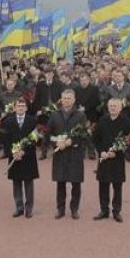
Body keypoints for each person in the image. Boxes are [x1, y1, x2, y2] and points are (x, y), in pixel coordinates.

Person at [48, 89, 88, 220]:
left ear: (74, 99)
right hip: (60, 155)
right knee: (60, 183)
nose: (66, 101)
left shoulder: (81, 115)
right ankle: (60, 209)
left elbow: (84, 135)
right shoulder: (54, 115)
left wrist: (71, 141)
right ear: (61, 99)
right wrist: (56, 143)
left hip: (75, 154)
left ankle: (74, 209)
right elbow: (48, 134)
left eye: (69, 98)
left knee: (76, 183)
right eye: (64, 98)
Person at [92, 98, 130, 223]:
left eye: (115, 106)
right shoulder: (102, 120)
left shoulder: (126, 122)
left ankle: (116, 211)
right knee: (103, 185)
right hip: (104, 157)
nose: (113, 108)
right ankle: (104, 210)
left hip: (117, 158)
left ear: (120, 108)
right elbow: (96, 139)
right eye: (110, 106)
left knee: (117, 185)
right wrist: (102, 151)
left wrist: (116, 151)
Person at [2, 98, 39, 218]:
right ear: (14, 108)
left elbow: (35, 140)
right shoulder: (8, 121)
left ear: (26, 108)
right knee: (16, 182)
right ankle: (19, 207)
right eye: (18, 106)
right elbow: (5, 140)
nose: (21, 108)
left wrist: (24, 151)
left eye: (23, 106)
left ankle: (29, 208)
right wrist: (12, 153)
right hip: (14, 157)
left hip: (28, 157)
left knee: (28, 183)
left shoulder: (32, 121)